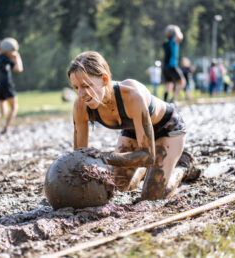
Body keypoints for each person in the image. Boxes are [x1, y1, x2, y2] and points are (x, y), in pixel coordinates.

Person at [68, 51, 199, 201]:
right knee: (116, 186)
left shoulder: (132, 95)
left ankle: (183, 166)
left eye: (86, 86)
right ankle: (145, 171)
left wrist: (105, 157)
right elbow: (79, 155)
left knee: (151, 197)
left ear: (104, 79)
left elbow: (148, 156)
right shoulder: (80, 106)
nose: (81, 94)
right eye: (76, 88)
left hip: (167, 127)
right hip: (135, 131)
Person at [162, 25, 186, 103]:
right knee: (182, 82)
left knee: (169, 83)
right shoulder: (173, 40)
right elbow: (180, 37)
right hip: (172, 66)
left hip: (165, 66)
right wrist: (176, 30)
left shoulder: (166, 42)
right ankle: (173, 99)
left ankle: (165, 99)